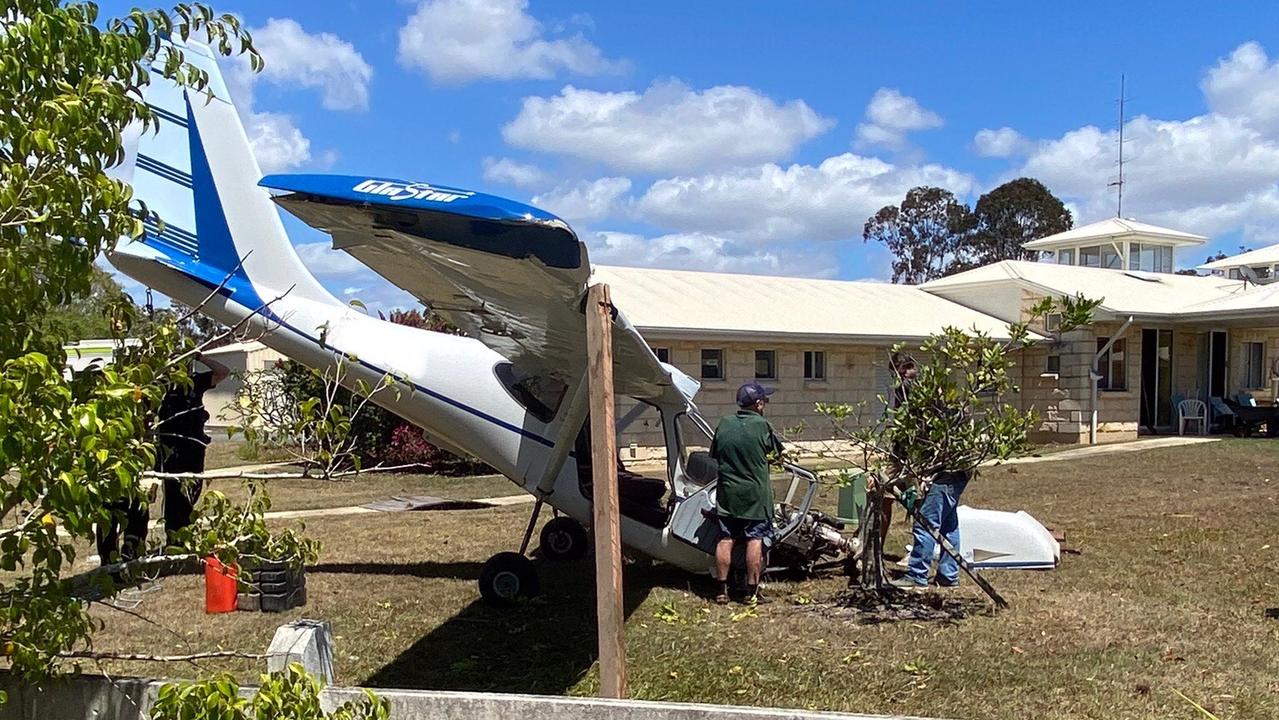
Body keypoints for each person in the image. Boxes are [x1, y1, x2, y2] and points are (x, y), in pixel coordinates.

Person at [710, 382, 784, 605]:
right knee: (755, 539)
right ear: (759, 403)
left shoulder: (724, 424)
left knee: (725, 538)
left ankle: (721, 590)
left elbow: (715, 454)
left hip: (728, 494)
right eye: (764, 401)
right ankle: (750, 592)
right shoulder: (762, 426)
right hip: (755, 496)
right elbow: (777, 454)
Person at [155, 353, 229, 547]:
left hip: (194, 446)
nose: (182, 368)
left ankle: (188, 535)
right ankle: (174, 540)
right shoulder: (162, 385)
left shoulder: (196, 381)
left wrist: (200, 357)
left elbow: (223, 372)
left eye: (185, 363)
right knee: (173, 494)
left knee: (192, 491)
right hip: (171, 448)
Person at [894, 468, 971, 589]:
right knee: (949, 528)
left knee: (925, 527)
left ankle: (917, 575)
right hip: (959, 475)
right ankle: (948, 575)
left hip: (943, 479)